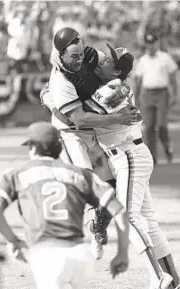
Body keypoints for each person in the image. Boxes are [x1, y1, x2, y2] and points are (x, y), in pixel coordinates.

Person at [89, 44, 180, 289]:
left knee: (127, 217)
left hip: (129, 156)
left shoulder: (114, 90)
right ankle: (174, 282)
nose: (102, 61)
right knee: (149, 223)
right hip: (129, 155)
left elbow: (81, 115)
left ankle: (160, 279)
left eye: (108, 60)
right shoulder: (118, 83)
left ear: (115, 70)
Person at [0, 121, 130, 289]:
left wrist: (13, 241)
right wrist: (122, 253)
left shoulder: (16, 175)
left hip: (48, 257)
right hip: (80, 257)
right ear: (59, 147)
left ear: (32, 148)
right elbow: (119, 210)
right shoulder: (81, 174)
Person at [43, 27, 140, 260]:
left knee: (110, 188)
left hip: (92, 131)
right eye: (72, 56)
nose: (78, 60)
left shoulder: (95, 61)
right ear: (62, 55)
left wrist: (47, 99)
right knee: (86, 181)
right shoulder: (61, 79)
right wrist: (50, 98)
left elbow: (111, 75)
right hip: (70, 132)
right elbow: (78, 118)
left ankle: (97, 227)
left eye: (79, 54)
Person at [134, 33, 178, 165]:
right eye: (148, 44)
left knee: (161, 125)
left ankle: (167, 146)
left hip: (162, 93)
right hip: (148, 93)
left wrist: (174, 94)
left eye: (153, 43)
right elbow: (138, 80)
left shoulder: (164, 58)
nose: (151, 47)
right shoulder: (143, 60)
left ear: (156, 44)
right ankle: (152, 155)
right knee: (149, 127)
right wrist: (135, 98)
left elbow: (173, 77)